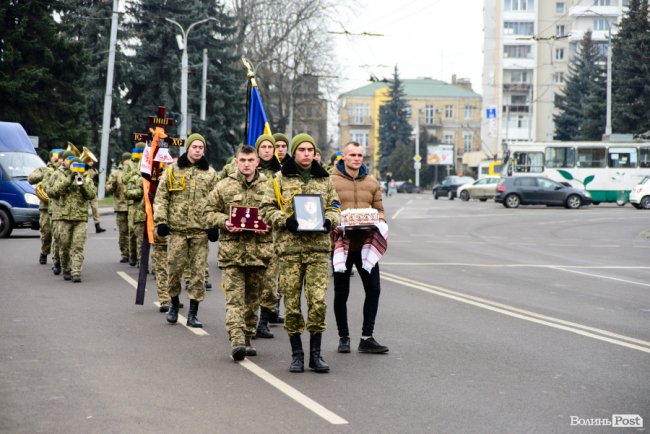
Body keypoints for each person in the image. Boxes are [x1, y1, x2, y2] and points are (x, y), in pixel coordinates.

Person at [260, 133, 340, 373]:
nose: (306, 154)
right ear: (294, 152)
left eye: (310, 150)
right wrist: (285, 221)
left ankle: (316, 354)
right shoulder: (279, 179)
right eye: (302, 150)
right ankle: (297, 354)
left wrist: (329, 221)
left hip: (317, 250)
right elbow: (266, 208)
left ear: (314, 153)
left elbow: (335, 206)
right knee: (292, 304)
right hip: (290, 251)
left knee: (318, 303)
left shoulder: (324, 179)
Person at [205, 144, 273, 361]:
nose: (246, 164)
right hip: (232, 252)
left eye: (250, 160)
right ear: (236, 162)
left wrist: (269, 224)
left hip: (259, 253)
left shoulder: (270, 186)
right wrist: (224, 221)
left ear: (257, 162)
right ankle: (237, 340)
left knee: (252, 300)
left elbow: (279, 212)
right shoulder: (224, 185)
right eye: (242, 160)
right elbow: (207, 212)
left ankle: (248, 336)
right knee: (234, 299)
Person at [153, 133, 218, 328]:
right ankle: (173, 304)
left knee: (198, 274)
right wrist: (161, 221)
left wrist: (214, 225)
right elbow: (162, 197)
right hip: (177, 230)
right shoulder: (173, 170)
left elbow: (217, 202)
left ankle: (193, 313)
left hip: (200, 231)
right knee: (174, 270)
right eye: (194, 147)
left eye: (201, 147)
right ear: (188, 148)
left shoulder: (211, 174)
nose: (198, 150)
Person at [331, 141, 389, 354]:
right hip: (341, 245)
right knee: (341, 293)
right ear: (343, 157)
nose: (356, 158)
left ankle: (367, 337)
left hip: (366, 245)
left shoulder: (372, 182)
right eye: (352, 155)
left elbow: (379, 210)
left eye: (359, 155)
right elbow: (326, 208)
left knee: (374, 290)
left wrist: (378, 220)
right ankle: (343, 337)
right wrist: (335, 222)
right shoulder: (331, 181)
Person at [47, 156, 97, 282]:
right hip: (64, 217)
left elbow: (91, 195)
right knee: (64, 246)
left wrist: (82, 184)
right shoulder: (63, 177)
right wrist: (69, 179)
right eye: (73, 166)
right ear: (70, 166)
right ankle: (66, 268)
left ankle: (76, 272)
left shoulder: (87, 179)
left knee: (78, 246)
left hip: (80, 218)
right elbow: (52, 192)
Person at [253, 134, 284, 338]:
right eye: (263, 147)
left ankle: (263, 322)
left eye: (269, 147)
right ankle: (249, 320)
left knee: (270, 282)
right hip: (249, 235)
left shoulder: (281, 173)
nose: (266, 150)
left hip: (272, 236)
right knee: (252, 281)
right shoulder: (248, 169)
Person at [28, 148, 60, 265]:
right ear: (51, 158)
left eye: (59, 157)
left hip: (59, 207)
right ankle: (44, 252)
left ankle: (58, 259)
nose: (57, 159)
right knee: (46, 233)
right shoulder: (43, 169)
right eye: (55, 156)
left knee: (58, 234)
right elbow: (30, 179)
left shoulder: (63, 171)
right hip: (46, 207)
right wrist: (42, 175)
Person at [106, 152, 131, 262]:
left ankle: (134, 254)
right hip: (121, 207)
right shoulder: (116, 173)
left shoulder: (135, 171)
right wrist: (112, 185)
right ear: (124, 160)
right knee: (123, 232)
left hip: (133, 207)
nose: (129, 162)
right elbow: (108, 188)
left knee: (133, 232)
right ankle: (125, 254)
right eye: (127, 160)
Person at [122, 143, 145, 266]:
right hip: (132, 203)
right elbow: (124, 180)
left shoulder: (147, 162)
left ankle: (141, 259)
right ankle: (132, 254)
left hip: (145, 205)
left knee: (142, 233)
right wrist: (136, 171)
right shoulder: (129, 164)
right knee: (132, 230)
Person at [85, 159, 106, 233]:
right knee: (84, 209)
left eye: (92, 161)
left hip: (92, 191)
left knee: (95, 208)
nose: (92, 162)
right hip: (84, 191)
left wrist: (96, 176)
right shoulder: (82, 168)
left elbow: (96, 181)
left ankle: (97, 226)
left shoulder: (93, 169)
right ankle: (83, 226)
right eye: (90, 161)